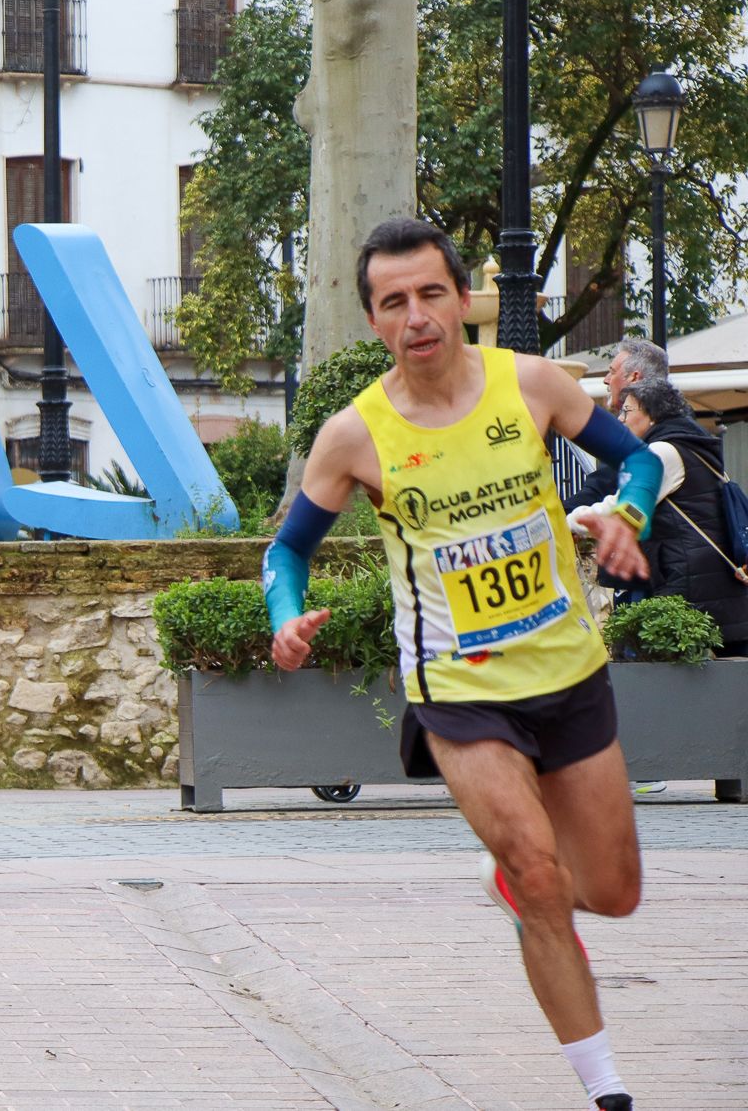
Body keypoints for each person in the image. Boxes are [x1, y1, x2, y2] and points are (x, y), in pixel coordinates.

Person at [265, 218, 659, 1111]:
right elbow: (285, 553)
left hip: (567, 673)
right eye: (393, 301)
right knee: (540, 868)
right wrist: (286, 618)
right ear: (373, 320)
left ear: (462, 299)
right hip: (461, 690)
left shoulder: (530, 384)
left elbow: (637, 463)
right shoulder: (353, 435)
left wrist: (626, 516)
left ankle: (518, 887)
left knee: (614, 889)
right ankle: (608, 1092)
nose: (416, 316)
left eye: (430, 293)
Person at [570, 379, 748, 657]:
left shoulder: (662, 452)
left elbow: (623, 508)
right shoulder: (694, 447)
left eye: (627, 411)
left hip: (686, 585)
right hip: (712, 584)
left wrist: (568, 520)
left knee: (661, 676)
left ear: (652, 414)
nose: (620, 419)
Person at [561, 338, 670, 513]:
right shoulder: (677, 429)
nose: (606, 380)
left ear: (634, 377)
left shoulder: (656, 443)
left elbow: (605, 494)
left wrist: (559, 520)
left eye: (612, 372)